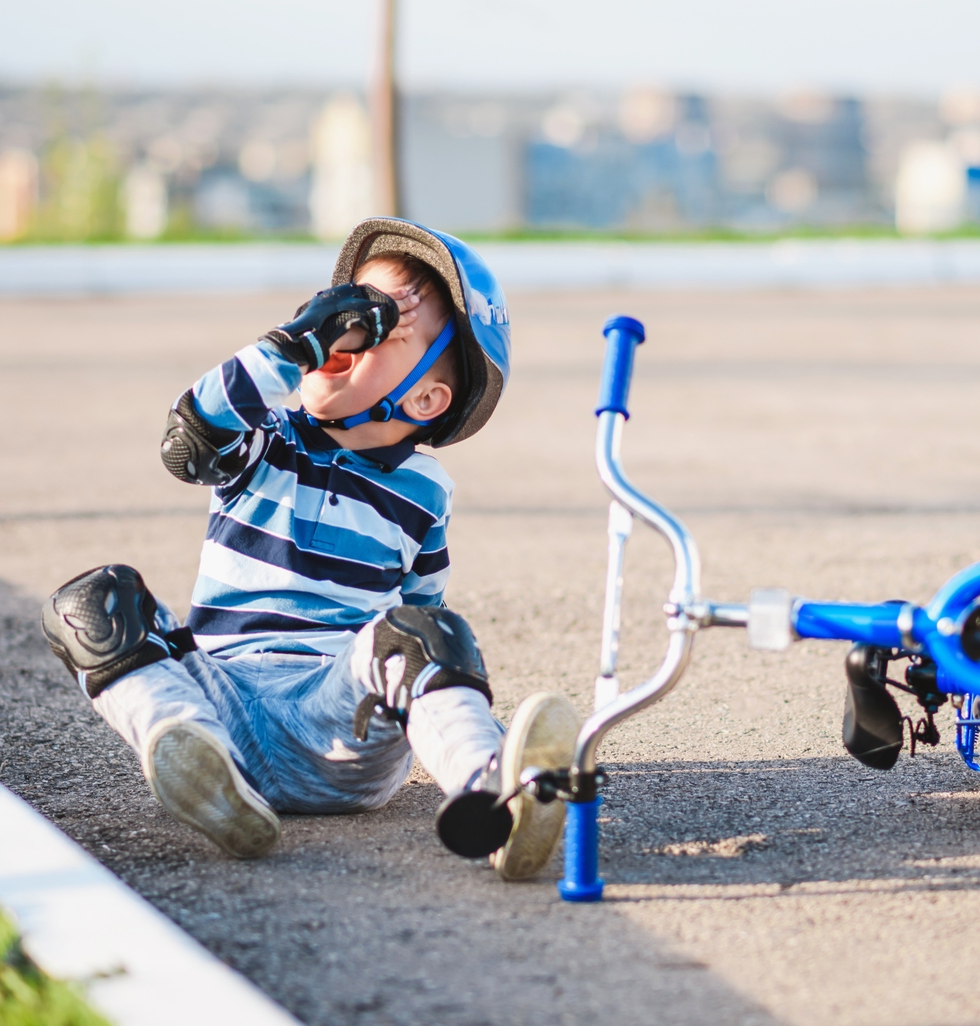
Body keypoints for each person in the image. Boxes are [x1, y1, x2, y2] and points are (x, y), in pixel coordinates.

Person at [40, 219, 578, 881]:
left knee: (423, 634)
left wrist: (429, 687)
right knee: (94, 604)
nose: (350, 326)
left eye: (383, 323)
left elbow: (423, 626)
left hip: (334, 722)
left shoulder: (423, 493)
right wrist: (296, 344)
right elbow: (188, 442)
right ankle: (191, 759)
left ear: (427, 397)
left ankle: (492, 792)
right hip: (221, 702)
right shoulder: (264, 439)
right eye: (348, 306)